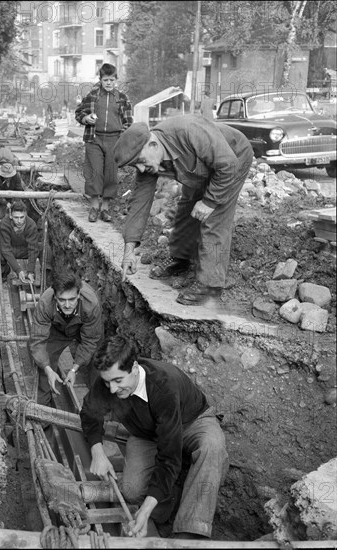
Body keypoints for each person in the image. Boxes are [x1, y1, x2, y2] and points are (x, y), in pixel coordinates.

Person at [80, 335, 229, 540]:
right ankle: (165, 506)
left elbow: (168, 456)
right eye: (107, 383)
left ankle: (191, 534)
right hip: (148, 433)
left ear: (133, 368)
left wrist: (146, 509)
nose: (112, 389)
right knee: (132, 491)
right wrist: (97, 452)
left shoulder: (163, 386)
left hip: (192, 422)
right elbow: (89, 412)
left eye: (118, 381)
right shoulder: (109, 379)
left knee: (212, 447)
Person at [114, 118, 253, 306]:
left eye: (140, 161)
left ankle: (210, 284)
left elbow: (228, 165)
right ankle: (181, 259)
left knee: (214, 217)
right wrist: (128, 250)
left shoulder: (190, 132)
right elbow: (139, 204)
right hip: (200, 167)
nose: (140, 169)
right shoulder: (150, 158)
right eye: (134, 165)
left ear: (153, 145)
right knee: (188, 207)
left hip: (233, 158)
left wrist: (209, 202)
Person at [30, 270, 103, 407]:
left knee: (98, 361)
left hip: (83, 329)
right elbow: (38, 339)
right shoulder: (45, 303)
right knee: (46, 363)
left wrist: (74, 369)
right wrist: (47, 368)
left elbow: (90, 340)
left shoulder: (91, 305)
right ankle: (42, 412)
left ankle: (97, 407)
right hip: (58, 329)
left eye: (72, 299)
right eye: (62, 300)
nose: (67, 305)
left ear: (79, 295)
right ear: (55, 297)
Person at [75, 63, 133, 223]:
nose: (108, 83)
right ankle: (94, 207)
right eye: (105, 80)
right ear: (100, 80)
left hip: (114, 140)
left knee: (110, 175)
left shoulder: (122, 98)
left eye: (112, 80)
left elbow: (128, 121)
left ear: (116, 80)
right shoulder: (93, 96)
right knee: (95, 173)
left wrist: (123, 134)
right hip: (94, 139)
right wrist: (85, 119)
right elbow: (79, 113)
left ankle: (105, 209)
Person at [0, 201, 40, 283]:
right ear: (10, 215)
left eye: (22, 217)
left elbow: (33, 249)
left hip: (25, 250)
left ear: (26, 215)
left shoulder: (31, 225)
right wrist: (18, 270)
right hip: (11, 249)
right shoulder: (4, 224)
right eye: (16, 217)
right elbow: (6, 249)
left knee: (45, 249)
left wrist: (30, 271)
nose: (19, 221)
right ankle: (5, 272)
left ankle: (44, 278)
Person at [0, 146, 24, 220]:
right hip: (3, 198)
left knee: (19, 211)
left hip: (13, 197)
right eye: (6, 177)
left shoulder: (16, 175)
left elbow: (19, 189)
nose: (8, 178)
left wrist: (14, 201)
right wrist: (6, 203)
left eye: (9, 176)